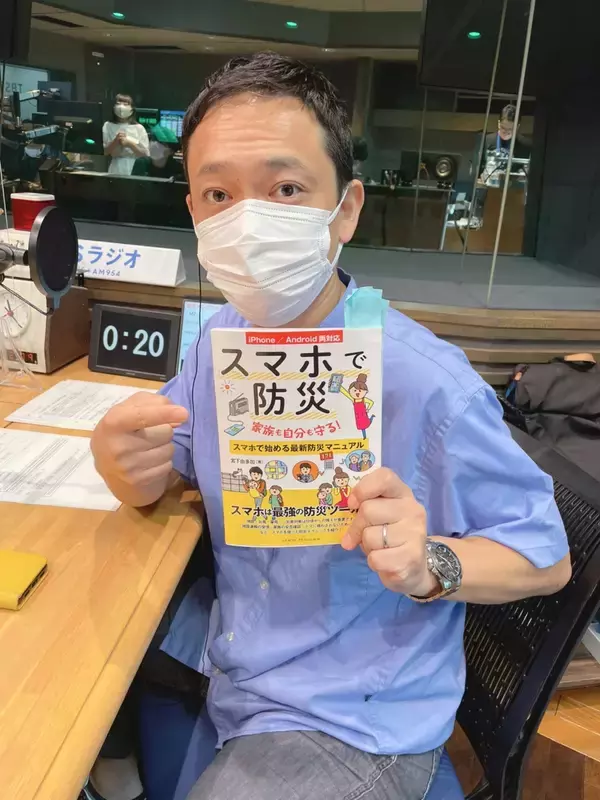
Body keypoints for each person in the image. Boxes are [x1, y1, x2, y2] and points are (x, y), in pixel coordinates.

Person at [91, 53, 571, 800]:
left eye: (286, 189)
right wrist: (121, 460)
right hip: (236, 667)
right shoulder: (222, 341)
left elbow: (546, 558)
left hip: (350, 718)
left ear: (345, 209)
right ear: (194, 212)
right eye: (219, 194)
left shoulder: (425, 381)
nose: (249, 222)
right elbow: (170, 453)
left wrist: (429, 564)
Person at [102, 94, 150, 176]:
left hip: (135, 165)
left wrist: (130, 144)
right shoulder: (108, 125)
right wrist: (116, 141)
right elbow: (105, 151)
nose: (121, 107)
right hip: (116, 166)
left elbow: (145, 154)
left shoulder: (139, 128)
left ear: (132, 109)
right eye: (118, 104)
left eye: (125, 104)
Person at [479, 103, 531, 177]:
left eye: (510, 129)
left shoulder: (526, 146)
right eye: (503, 127)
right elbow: (477, 170)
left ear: (517, 127)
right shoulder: (486, 140)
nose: (506, 132)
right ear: (498, 123)